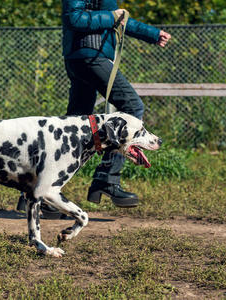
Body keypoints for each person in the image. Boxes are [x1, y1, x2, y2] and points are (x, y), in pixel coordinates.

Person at [60, 0, 171, 208]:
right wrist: (111, 18)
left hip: (86, 57)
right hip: (90, 57)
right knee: (132, 107)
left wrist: (152, 34)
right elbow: (74, 18)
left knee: (73, 130)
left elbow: (119, 17)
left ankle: (40, 189)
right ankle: (107, 178)